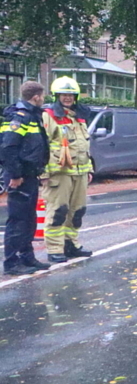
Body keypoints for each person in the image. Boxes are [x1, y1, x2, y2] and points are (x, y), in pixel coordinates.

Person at [40, 76, 93, 263]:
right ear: (57, 95)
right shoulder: (49, 116)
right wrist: (43, 174)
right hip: (59, 174)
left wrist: (89, 169)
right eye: (64, 94)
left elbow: (84, 144)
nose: (67, 98)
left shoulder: (79, 116)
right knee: (58, 211)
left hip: (80, 173)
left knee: (77, 211)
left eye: (71, 94)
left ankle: (71, 244)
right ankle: (55, 248)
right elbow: (42, 146)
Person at [1, 82, 51, 275]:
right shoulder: (20, 117)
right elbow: (8, 148)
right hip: (19, 176)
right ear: (36, 96)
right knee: (18, 219)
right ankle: (12, 263)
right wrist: (15, 175)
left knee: (29, 218)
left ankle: (27, 257)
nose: (43, 98)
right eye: (42, 95)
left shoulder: (32, 115)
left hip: (29, 174)